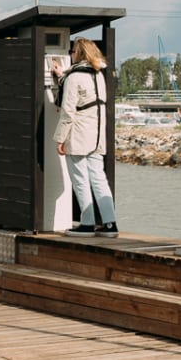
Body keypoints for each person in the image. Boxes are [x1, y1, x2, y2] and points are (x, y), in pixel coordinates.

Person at [54, 38, 117, 237]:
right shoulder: (98, 75)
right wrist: (61, 75)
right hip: (97, 135)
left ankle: (87, 223)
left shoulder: (73, 78)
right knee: (99, 179)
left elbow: (67, 111)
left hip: (79, 134)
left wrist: (60, 139)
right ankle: (109, 224)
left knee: (80, 179)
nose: (71, 54)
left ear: (78, 54)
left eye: (72, 51)